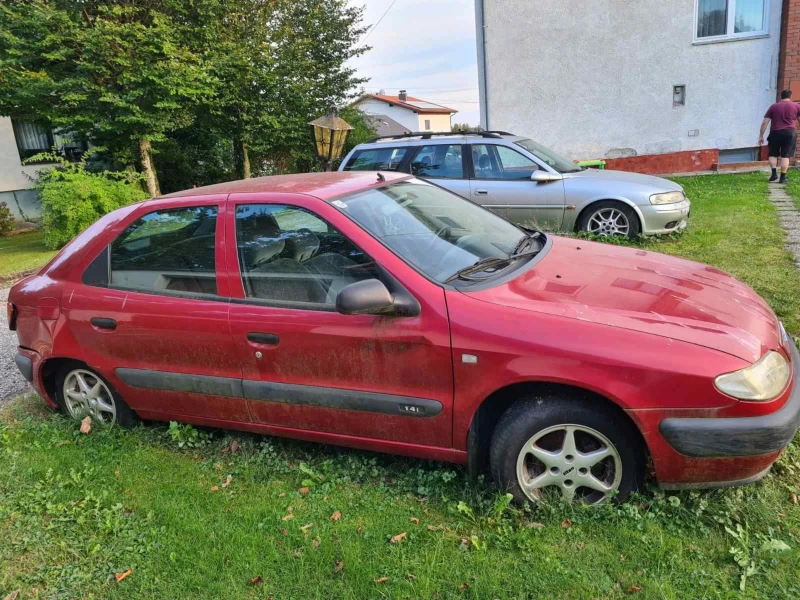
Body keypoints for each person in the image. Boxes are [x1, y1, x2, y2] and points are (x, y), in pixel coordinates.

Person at [759, 90, 800, 183]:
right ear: (790, 96)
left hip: (775, 133)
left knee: (773, 154)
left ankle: (774, 174)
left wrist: (761, 135)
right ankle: (783, 177)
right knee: (786, 156)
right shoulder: (796, 106)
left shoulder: (773, 106)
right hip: (790, 133)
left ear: (780, 97)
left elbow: (765, 122)